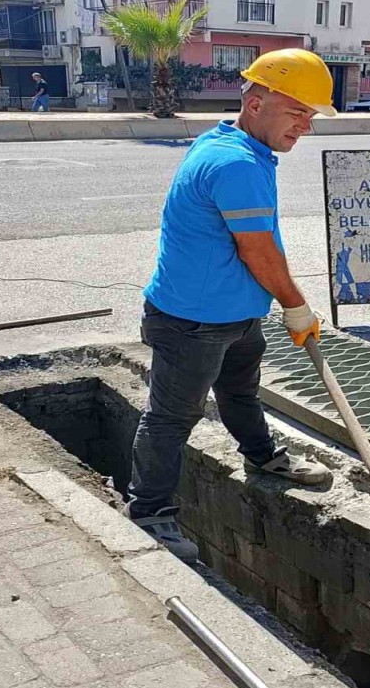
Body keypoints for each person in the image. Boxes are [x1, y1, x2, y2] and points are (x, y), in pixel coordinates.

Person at [126, 49, 338, 563]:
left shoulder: (236, 144)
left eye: (311, 117)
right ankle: (148, 513)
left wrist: (272, 306)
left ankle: (263, 457)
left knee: (241, 392)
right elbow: (258, 249)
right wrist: (296, 305)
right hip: (192, 323)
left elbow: (257, 243)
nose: (305, 127)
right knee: (172, 418)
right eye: (297, 113)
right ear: (257, 102)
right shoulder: (235, 162)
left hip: (236, 315)